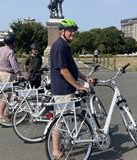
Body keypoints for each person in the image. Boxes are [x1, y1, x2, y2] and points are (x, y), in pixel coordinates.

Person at [50, 19, 94, 159]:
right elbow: (64, 71)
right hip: (62, 90)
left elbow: (72, 69)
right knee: (61, 120)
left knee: (65, 120)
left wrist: (84, 78)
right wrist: (78, 86)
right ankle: (56, 151)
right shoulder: (59, 46)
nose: (73, 33)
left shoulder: (65, 46)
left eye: (74, 31)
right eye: (70, 31)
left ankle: (61, 145)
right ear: (62, 31)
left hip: (67, 89)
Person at [0, 34, 22, 123]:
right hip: (8, 74)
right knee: (7, 95)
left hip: (1, 72)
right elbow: (14, 64)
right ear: (12, 42)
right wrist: (19, 73)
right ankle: (1, 114)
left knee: (3, 93)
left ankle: (6, 113)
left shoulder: (1, 49)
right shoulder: (10, 51)